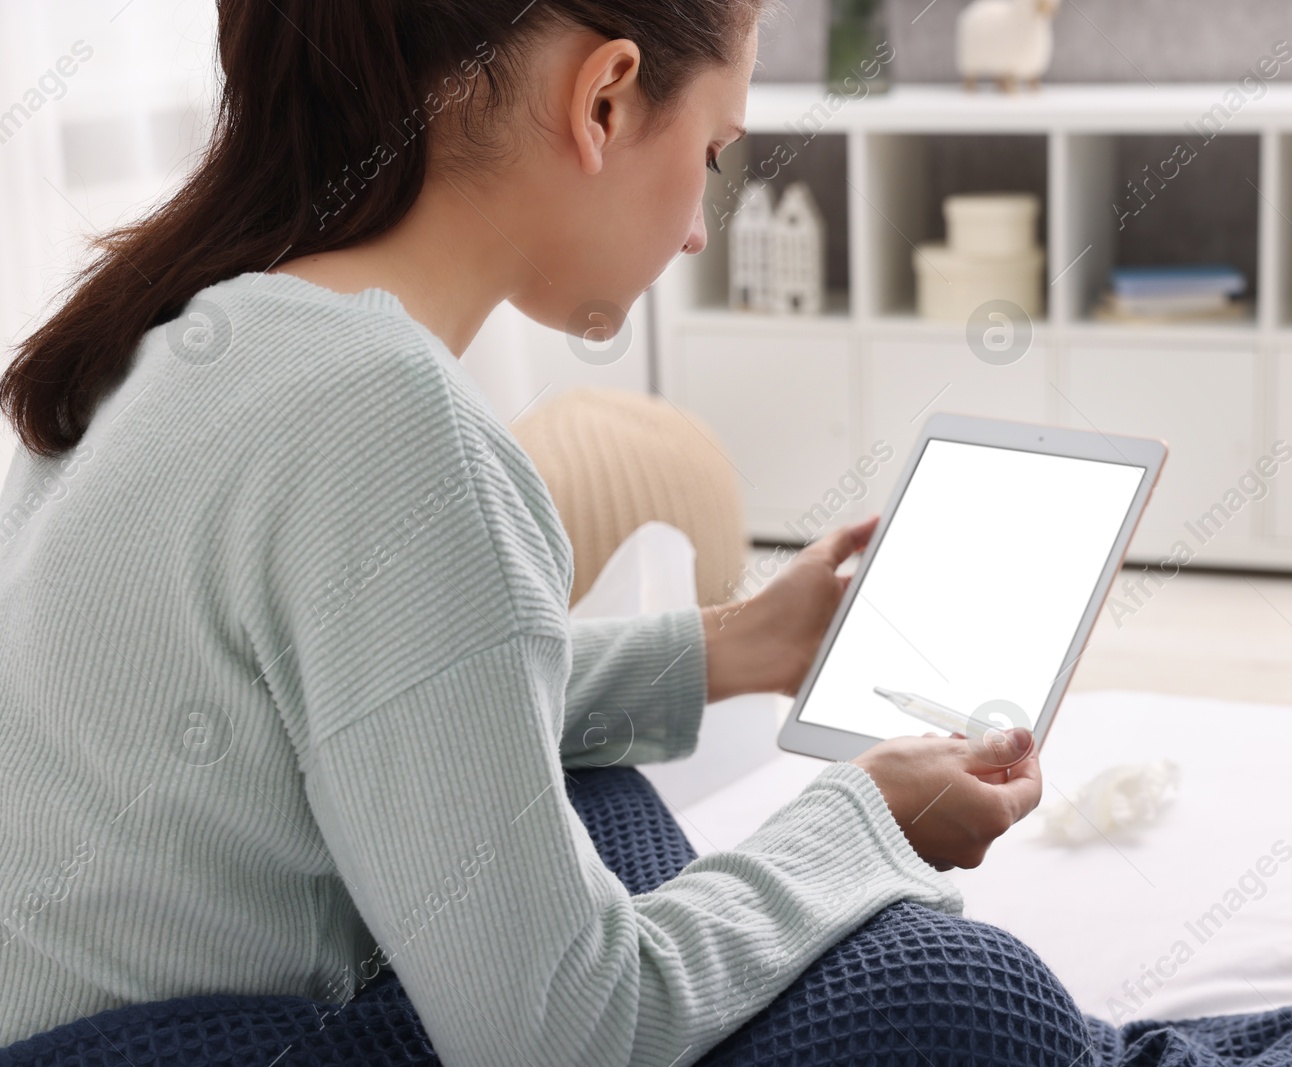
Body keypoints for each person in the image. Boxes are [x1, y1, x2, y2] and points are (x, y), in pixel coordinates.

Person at [0, 2, 1047, 1063]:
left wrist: (731, 644)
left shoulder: (178, 324)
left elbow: (389, 698)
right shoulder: (382, 415)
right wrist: (870, 815)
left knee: (596, 792)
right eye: (714, 148)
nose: (697, 226)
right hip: (164, 1046)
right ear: (603, 100)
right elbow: (562, 1038)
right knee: (957, 985)